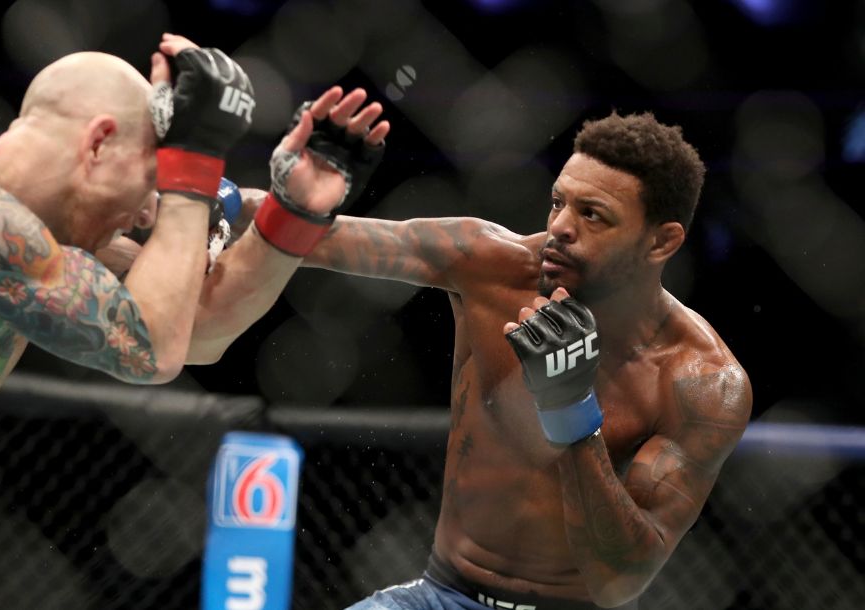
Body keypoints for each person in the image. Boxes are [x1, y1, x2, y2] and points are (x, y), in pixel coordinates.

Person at [0, 32, 388, 609]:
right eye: (152, 180)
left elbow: (191, 329)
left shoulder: (42, 246)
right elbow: (149, 347)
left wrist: (294, 212)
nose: (148, 209)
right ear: (98, 144)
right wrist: (195, 164)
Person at [253, 111, 751, 609]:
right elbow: (320, 238)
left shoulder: (701, 382)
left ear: (661, 241)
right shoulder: (492, 265)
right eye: (558, 202)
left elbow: (618, 581)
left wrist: (572, 414)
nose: (559, 227)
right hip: (440, 596)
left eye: (592, 215)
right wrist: (219, 194)